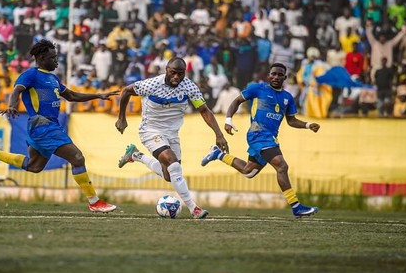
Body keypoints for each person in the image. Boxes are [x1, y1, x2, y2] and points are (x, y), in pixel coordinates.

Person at [0, 40, 119, 213]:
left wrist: (98, 95)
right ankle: (94, 201)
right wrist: (12, 105)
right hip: (43, 125)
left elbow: (70, 95)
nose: (56, 61)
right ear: (41, 58)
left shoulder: (53, 78)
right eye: (52, 58)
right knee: (77, 158)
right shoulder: (31, 75)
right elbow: (16, 90)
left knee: (34, 167)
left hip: (46, 126)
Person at [199, 63, 320, 217]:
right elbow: (236, 101)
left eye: (279, 74)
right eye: (273, 74)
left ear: (285, 77)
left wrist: (308, 125)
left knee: (248, 171)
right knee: (282, 166)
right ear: (269, 75)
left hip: (270, 138)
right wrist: (228, 119)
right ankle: (296, 207)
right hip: (258, 135)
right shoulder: (258, 89)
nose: (276, 77)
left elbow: (291, 120)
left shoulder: (287, 97)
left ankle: (218, 154)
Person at [116, 57, 229, 219]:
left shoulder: (189, 87)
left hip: (172, 134)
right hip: (150, 131)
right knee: (173, 164)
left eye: (180, 73)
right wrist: (122, 117)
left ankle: (136, 155)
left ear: (185, 73)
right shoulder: (152, 84)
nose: (176, 77)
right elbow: (127, 90)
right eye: (173, 73)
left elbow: (204, 110)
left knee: (170, 175)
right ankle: (194, 208)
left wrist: (219, 134)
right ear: (166, 71)